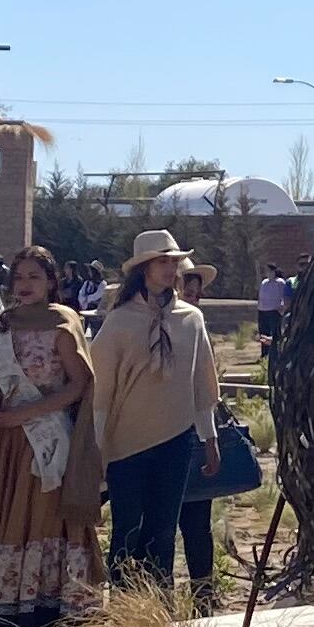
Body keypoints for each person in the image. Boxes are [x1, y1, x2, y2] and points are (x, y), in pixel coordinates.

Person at [0, 244, 102, 625]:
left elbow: (79, 385)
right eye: (18, 277)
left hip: (45, 439)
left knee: (43, 515)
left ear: (51, 281)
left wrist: (26, 414)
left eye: (34, 277)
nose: (24, 284)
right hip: (5, 440)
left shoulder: (62, 323)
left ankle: (46, 600)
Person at [88, 229, 220, 594]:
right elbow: (102, 389)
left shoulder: (191, 319)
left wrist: (208, 436)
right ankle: (124, 609)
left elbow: (200, 381)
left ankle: (159, 609)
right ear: (144, 268)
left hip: (176, 438)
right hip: (127, 441)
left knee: (163, 528)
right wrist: (96, 445)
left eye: (174, 261)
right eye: (162, 261)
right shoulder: (118, 322)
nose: (170, 268)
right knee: (127, 527)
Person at [175, 259, 234, 603]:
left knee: (197, 522)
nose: (194, 297)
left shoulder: (197, 327)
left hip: (194, 435)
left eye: (197, 292)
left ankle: (203, 592)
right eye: (188, 289)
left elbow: (205, 393)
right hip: (160, 435)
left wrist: (209, 437)